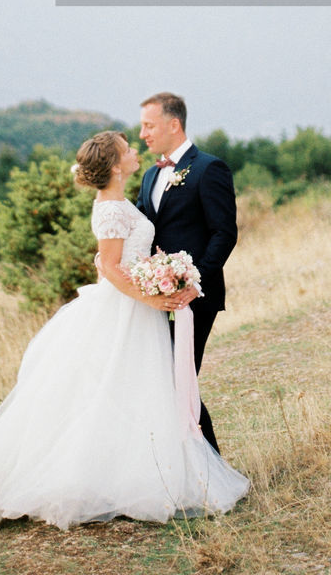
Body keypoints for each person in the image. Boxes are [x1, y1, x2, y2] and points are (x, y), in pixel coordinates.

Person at [0, 130, 249, 533]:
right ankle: (95, 479)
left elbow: (127, 256)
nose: (135, 150)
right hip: (124, 310)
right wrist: (153, 298)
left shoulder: (121, 200)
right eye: (127, 149)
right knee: (112, 389)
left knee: (138, 391)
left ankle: (137, 471)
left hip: (136, 308)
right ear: (112, 164)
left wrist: (160, 276)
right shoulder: (108, 208)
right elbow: (109, 267)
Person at [136, 92, 238, 454]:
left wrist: (195, 283)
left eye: (149, 125)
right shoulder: (150, 175)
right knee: (166, 378)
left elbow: (224, 233)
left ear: (173, 124)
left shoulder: (210, 169)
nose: (142, 133)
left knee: (178, 379)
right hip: (156, 296)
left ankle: (210, 464)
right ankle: (187, 464)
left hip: (195, 296)